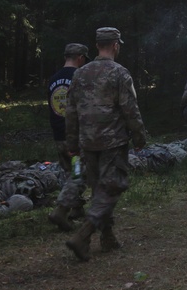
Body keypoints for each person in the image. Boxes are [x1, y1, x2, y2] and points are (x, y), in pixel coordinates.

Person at [64, 27, 147, 261]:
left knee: (99, 188)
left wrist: (72, 143)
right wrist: (139, 138)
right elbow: (130, 109)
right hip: (112, 142)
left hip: (87, 142)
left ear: (99, 44)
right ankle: (83, 234)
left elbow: (70, 112)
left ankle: (108, 237)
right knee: (112, 187)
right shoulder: (120, 73)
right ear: (115, 45)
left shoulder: (80, 74)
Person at [47, 43, 89, 232]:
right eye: (84, 59)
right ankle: (60, 212)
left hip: (58, 136)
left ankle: (77, 209)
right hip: (75, 138)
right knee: (78, 173)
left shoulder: (53, 79)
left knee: (67, 172)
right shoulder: (78, 77)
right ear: (80, 57)